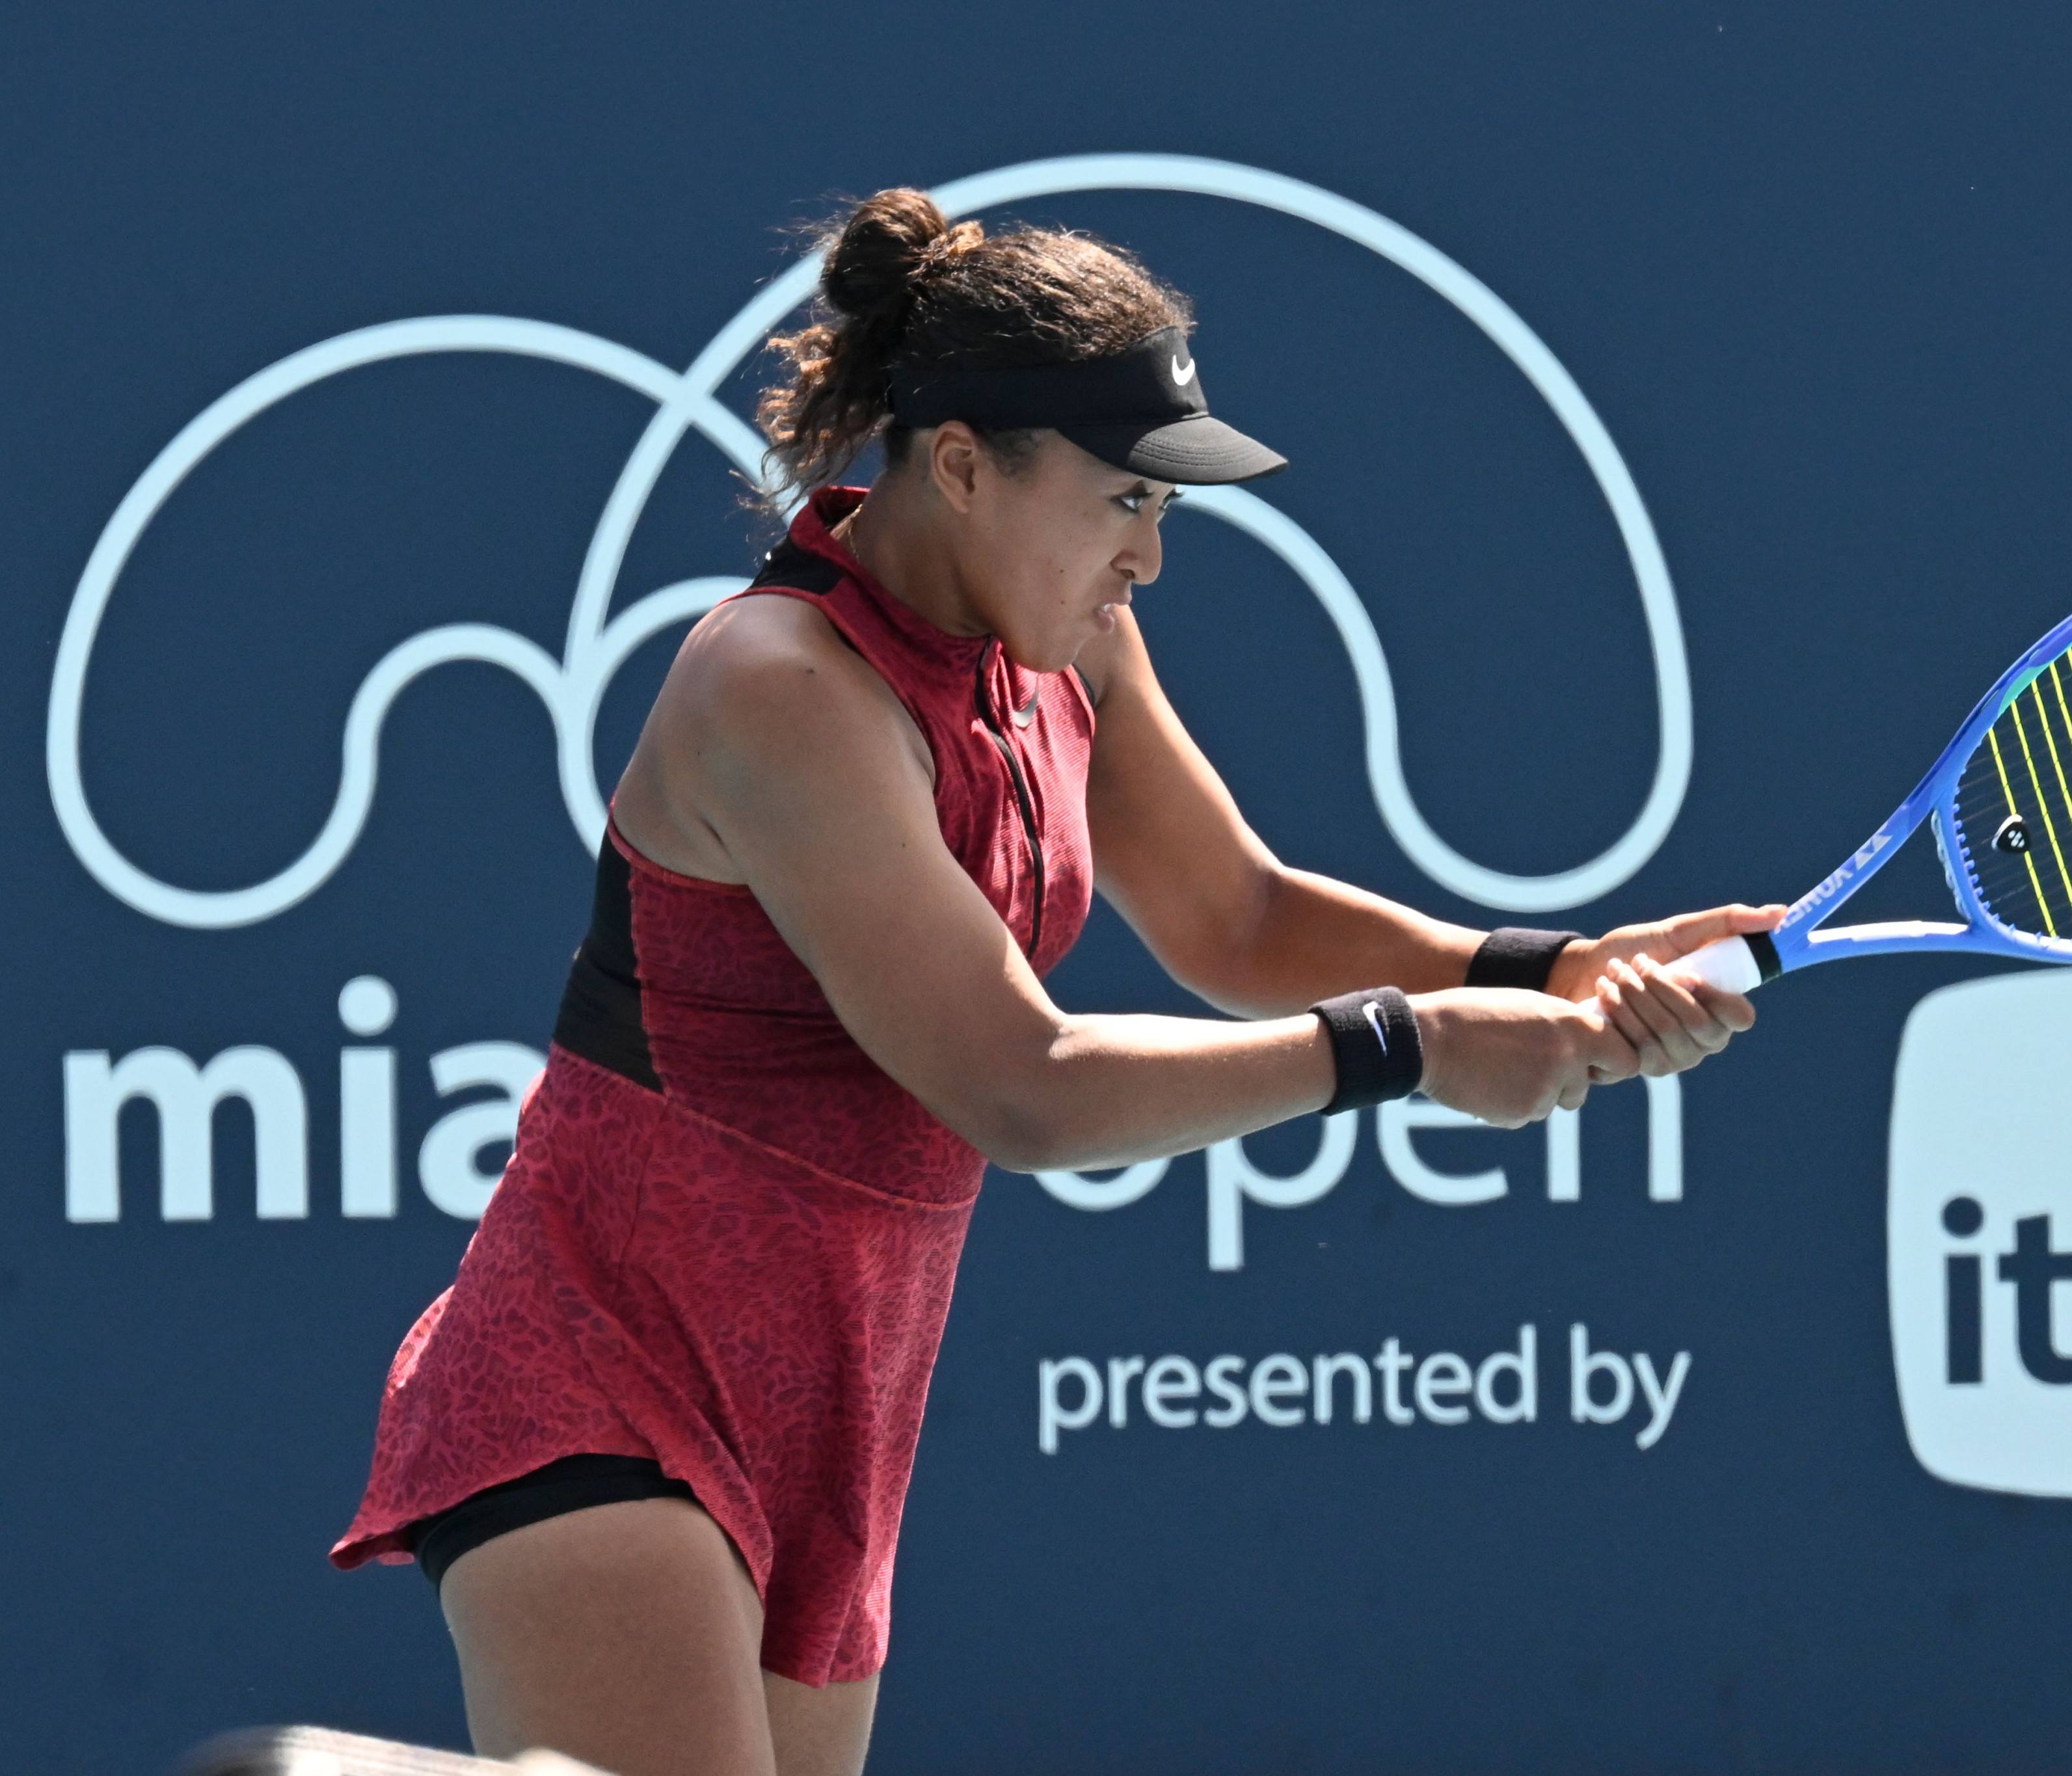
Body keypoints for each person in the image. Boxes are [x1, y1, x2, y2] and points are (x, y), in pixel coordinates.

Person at [330, 189, 1781, 1776]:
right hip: (599, 1378)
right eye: (1120, 504)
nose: (1150, 557)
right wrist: (1414, 1047)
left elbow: (1235, 916)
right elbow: (1023, 1087)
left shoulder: (1061, 646)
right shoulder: (779, 693)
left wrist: (1552, 964)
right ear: (957, 465)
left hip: (830, 1421)